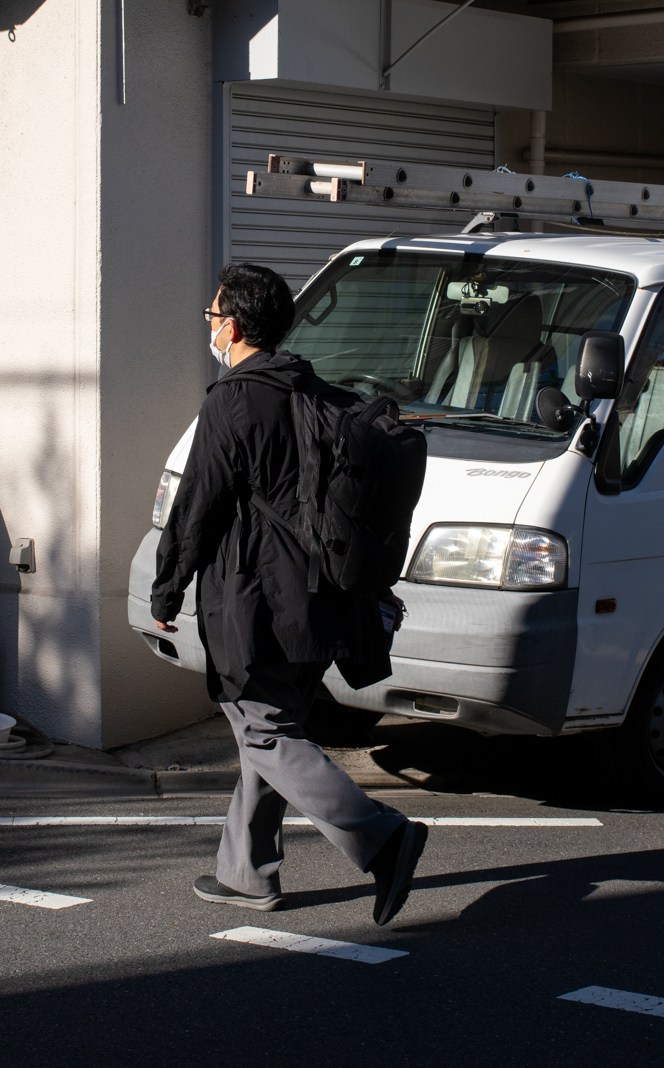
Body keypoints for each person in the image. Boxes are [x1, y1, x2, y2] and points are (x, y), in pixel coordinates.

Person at [150, 262, 427, 926]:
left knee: (265, 731)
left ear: (234, 326)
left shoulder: (232, 401)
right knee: (271, 729)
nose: (210, 328)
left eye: (213, 317)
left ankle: (381, 837)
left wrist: (166, 591)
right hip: (321, 604)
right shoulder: (320, 395)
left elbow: (196, 510)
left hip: (258, 607)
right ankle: (247, 875)